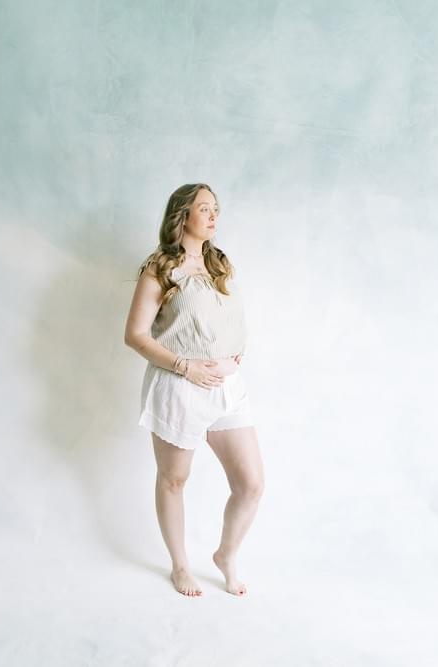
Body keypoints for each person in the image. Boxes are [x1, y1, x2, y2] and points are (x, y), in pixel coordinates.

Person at [124, 183, 265, 597]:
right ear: (181, 215)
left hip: (227, 388)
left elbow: (230, 324)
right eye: (205, 208)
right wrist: (186, 367)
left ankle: (225, 555)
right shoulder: (160, 269)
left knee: (251, 484)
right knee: (174, 479)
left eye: (216, 208)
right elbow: (135, 335)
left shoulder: (219, 265)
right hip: (178, 385)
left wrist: (235, 356)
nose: (214, 215)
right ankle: (180, 565)